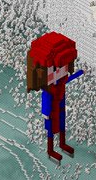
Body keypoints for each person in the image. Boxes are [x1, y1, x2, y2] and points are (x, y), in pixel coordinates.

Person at [27, 31, 84, 161]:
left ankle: (62, 143)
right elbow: (46, 99)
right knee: (51, 127)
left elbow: (66, 79)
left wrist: (78, 73)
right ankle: (50, 149)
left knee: (62, 121)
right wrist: (46, 113)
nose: (60, 70)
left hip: (60, 102)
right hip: (52, 106)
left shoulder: (61, 81)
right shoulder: (48, 89)